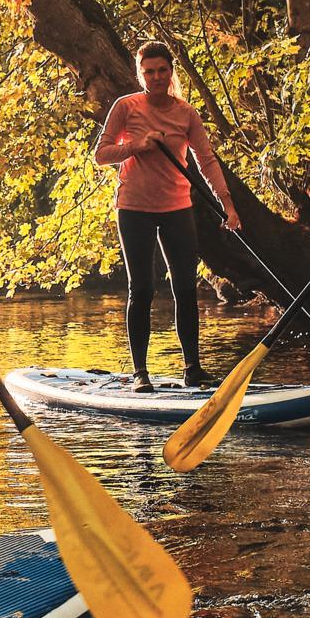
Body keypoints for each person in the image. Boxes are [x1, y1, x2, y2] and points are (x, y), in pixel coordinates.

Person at [92, 41, 237, 391]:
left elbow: (207, 161)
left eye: (162, 70)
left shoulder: (186, 113)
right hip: (134, 208)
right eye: (149, 72)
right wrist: (136, 146)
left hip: (177, 208)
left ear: (171, 72)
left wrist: (228, 204)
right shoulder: (126, 107)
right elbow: (101, 154)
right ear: (140, 74)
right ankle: (140, 373)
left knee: (185, 288)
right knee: (141, 288)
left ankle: (193, 369)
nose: (156, 77)